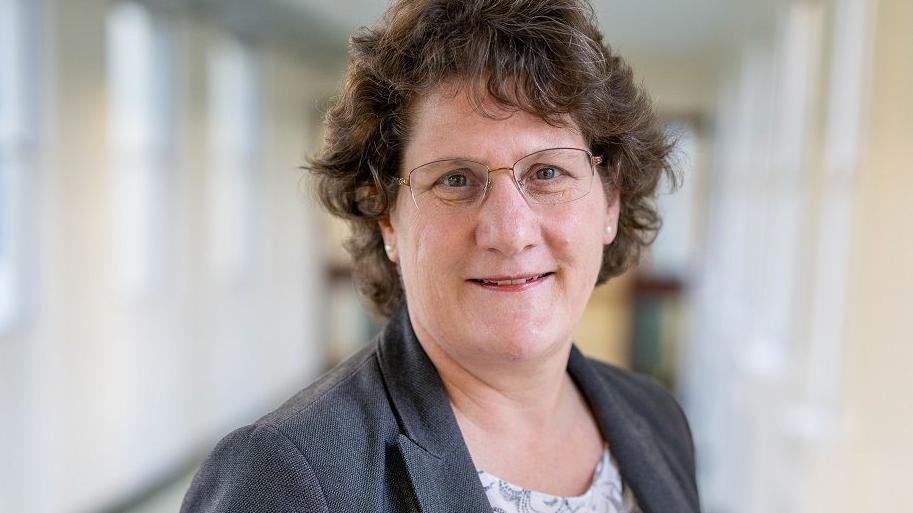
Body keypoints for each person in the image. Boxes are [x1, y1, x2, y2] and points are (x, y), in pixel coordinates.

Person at [181, 0, 700, 511]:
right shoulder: (285, 479)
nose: (510, 232)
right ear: (387, 215)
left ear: (610, 200)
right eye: (455, 179)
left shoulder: (656, 421)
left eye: (547, 172)